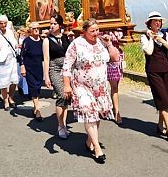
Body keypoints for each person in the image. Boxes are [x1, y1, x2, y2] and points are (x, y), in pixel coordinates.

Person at [62, 18, 120, 164]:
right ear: (84, 31)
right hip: (81, 85)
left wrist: (109, 44)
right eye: (92, 31)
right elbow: (67, 66)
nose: (96, 33)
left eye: (97, 30)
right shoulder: (77, 44)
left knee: (97, 115)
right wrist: (67, 86)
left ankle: (89, 141)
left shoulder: (101, 42)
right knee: (89, 113)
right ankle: (97, 148)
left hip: (99, 86)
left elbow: (115, 58)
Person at [141, 11, 168, 144]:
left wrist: (161, 39)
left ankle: (159, 125)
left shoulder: (165, 35)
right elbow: (149, 51)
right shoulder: (144, 36)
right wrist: (151, 38)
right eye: (155, 21)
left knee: (167, 98)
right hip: (153, 71)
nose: (158, 23)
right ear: (150, 24)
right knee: (162, 98)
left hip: (166, 69)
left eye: (159, 21)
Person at [43, 14, 72, 138]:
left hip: (66, 69)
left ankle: (64, 123)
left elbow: (71, 53)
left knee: (66, 96)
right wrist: (46, 76)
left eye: (54, 23)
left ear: (60, 25)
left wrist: (71, 39)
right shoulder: (47, 40)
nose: (52, 26)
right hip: (55, 68)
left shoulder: (66, 37)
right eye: (51, 23)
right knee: (61, 94)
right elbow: (46, 59)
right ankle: (60, 125)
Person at [0, 15, 20, 111]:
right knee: (3, 83)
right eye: (1, 23)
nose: (3, 25)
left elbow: (14, 44)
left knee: (14, 80)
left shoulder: (10, 32)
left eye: (5, 23)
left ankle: (11, 97)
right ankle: (5, 100)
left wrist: (17, 40)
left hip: (12, 59)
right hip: (1, 61)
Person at [20, 22, 44, 121]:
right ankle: (38, 110)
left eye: (37, 28)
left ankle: (34, 108)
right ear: (30, 30)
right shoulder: (27, 41)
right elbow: (22, 55)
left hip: (39, 68)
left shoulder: (42, 41)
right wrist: (22, 66)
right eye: (34, 28)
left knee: (38, 88)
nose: (36, 30)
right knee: (33, 87)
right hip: (29, 68)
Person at [106, 30, 124, 125]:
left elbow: (123, 42)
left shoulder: (118, 30)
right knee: (114, 86)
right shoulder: (100, 31)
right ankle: (117, 112)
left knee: (116, 86)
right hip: (107, 58)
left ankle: (114, 107)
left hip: (118, 57)